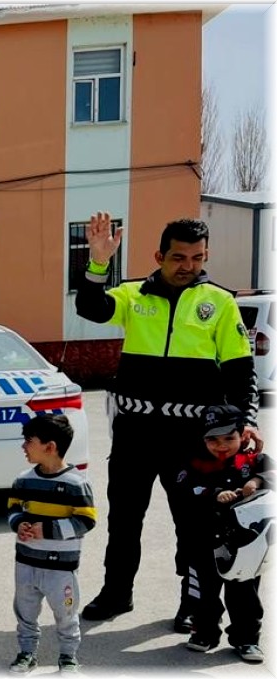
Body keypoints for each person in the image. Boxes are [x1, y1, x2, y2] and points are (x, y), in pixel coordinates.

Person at [75, 212, 259, 631]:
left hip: (193, 437)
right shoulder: (133, 294)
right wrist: (98, 262)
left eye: (197, 257)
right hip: (136, 434)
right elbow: (91, 307)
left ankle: (191, 602)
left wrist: (247, 422)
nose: (188, 266)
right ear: (160, 255)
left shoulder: (219, 302)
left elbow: (239, 371)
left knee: (193, 524)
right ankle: (117, 592)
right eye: (178, 257)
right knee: (124, 518)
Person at [177, 405, 271, 662]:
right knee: (203, 592)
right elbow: (186, 486)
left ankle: (247, 639)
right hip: (202, 541)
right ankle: (204, 633)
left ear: (243, 434)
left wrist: (256, 482)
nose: (221, 445)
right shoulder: (194, 463)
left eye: (229, 438)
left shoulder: (252, 461)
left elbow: (271, 474)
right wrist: (214, 492)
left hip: (243, 545)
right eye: (212, 439)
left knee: (244, 595)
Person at [7, 414, 97, 674]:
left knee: (66, 614)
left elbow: (86, 521)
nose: (24, 446)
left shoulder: (76, 483)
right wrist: (18, 523)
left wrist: (46, 529)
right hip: (26, 563)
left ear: (50, 446)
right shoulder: (23, 479)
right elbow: (13, 508)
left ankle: (68, 656)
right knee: (25, 612)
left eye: (29, 441)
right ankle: (26, 653)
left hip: (61, 569)